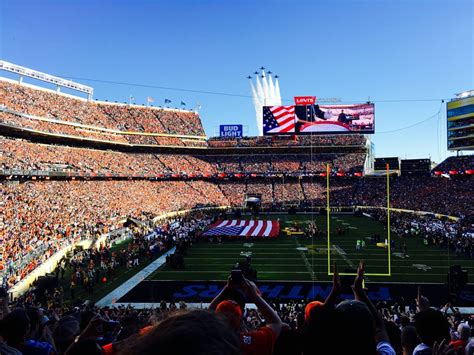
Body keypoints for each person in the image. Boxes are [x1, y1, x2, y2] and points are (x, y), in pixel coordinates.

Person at [209, 276, 284, 355]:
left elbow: (208, 311)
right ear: (241, 320)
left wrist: (226, 289)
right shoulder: (251, 341)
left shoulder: (209, 339)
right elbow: (276, 323)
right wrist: (254, 296)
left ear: (216, 319)